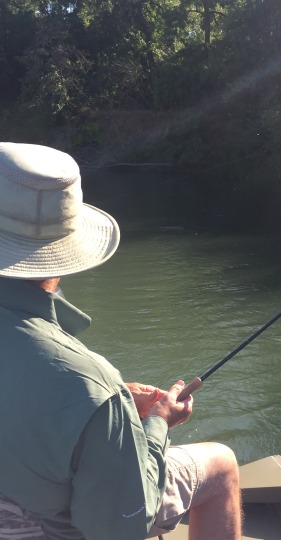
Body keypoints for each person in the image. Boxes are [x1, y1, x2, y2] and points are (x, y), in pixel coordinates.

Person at [0, 142, 242, 540]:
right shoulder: (91, 387)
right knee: (221, 464)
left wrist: (113, 404)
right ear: (64, 251)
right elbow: (123, 523)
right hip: (47, 525)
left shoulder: (93, 393)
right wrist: (157, 422)